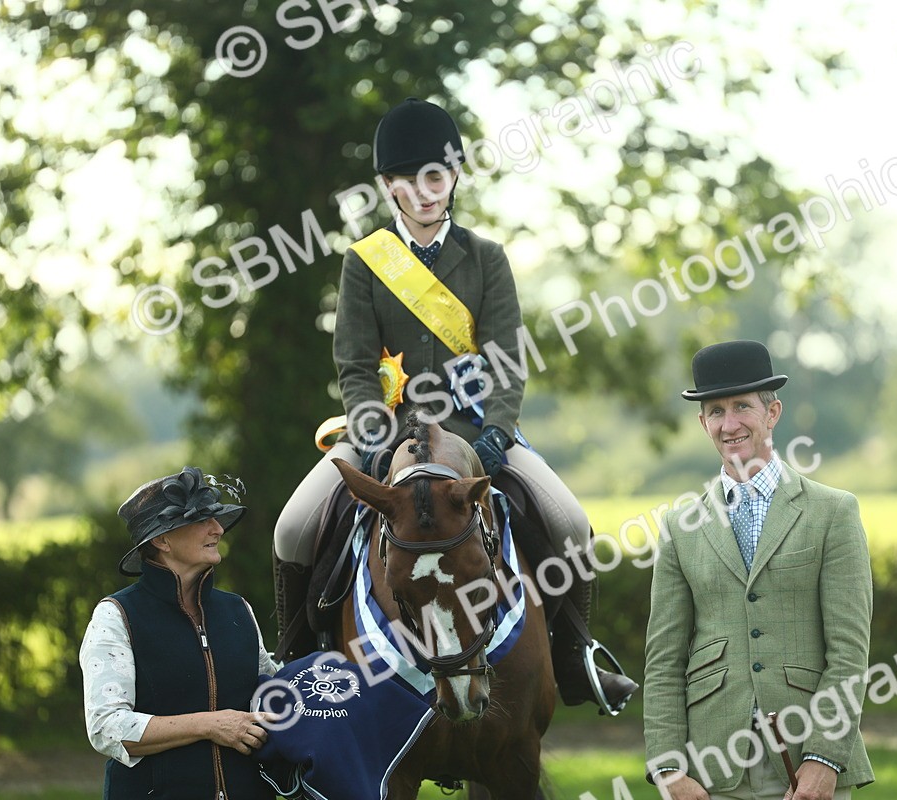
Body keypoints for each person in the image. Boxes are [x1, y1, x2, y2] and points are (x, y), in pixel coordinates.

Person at [273, 96, 637, 713]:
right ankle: (296, 665)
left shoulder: (486, 258)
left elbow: (506, 362)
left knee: (572, 523)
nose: (423, 192)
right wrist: (373, 434)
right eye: (407, 180)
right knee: (292, 528)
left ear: (455, 177)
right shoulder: (364, 263)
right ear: (387, 186)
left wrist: (496, 432)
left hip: (477, 432)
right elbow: (355, 366)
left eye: (435, 177)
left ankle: (575, 657)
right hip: (383, 433)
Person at [643, 340, 874, 799]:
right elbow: (664, 662)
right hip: (711, 772)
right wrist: (668, 768)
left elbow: (849, 652)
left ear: (772, 413)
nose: (729, 424)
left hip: (806, 762)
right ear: (703, 423)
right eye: (716, 411)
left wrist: (825, 758)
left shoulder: (834, 513)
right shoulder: (678, 528)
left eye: (742, 407)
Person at [80, 466, 278, 799]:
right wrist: (210, 725)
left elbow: (272, 689)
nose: (218, 529)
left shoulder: (239, 610)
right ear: (161, 540)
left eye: (215, 519)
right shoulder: (117, 615)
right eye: (202, 520)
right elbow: (107, 727)